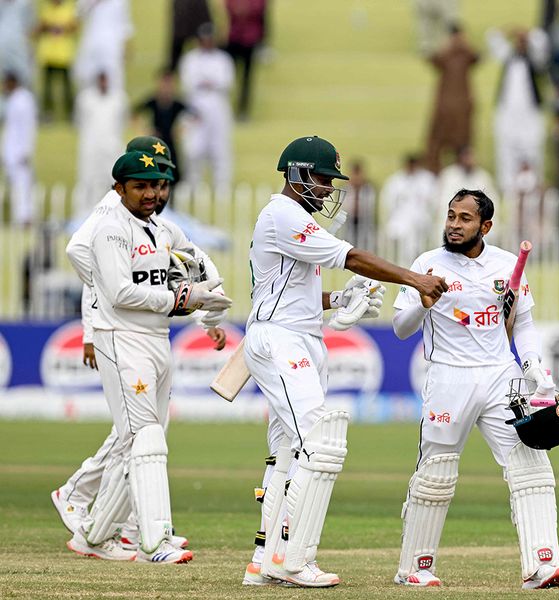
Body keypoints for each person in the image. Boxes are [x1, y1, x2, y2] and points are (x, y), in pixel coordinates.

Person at [242, 135, 448, 587]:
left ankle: (265, 561)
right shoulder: (283, 215)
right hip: (281, 342)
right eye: (321, 178)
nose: (327, 188)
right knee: (320, 443)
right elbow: (351, 256)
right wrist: (414, 279)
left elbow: (289, 294)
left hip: (296, 334)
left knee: (287, 452)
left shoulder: (292, 220)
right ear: (296, 174)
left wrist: (339, 299)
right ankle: (296, 560)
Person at [52, 136, 227, 554]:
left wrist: (207, 312)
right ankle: (150, 537)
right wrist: (94, 327)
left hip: (156, 336)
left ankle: (100, 531)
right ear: (121, 187)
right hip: (122, 337)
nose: (154, 193)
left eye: (161, 183)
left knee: (143, 438)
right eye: (144, 184)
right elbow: (106, 282)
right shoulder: (109, 220)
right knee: (142, 439)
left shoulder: (161, 226)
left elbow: (195, 266)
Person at [390, 189, 559, 590]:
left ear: (485, 226)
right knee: (436, 473)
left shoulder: (507, 264)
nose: (454, 224)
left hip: (500, 375)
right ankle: (414, 567)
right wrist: (423, 300)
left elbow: (520, 324)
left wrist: (533, 367)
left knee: (530, 466)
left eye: (465, 218)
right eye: (451, 216)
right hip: (448, 376)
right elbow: (401, 329)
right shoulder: (427, 264)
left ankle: (542, 563)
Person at [485, 25, 549, 196]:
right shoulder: (508, 56)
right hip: (508, 112)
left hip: (530, 113)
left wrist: (529, 34)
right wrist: (510, 32)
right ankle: (507, 191)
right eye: (518, 41)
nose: (520, 44)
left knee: (533, 149)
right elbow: (491, 37)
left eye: (523, 41)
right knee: (505, 150)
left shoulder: (535, 59)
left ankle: (534, 190)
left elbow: (542, 42)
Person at [179, 22, 235, 191]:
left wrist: (208, 82)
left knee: (220, 148)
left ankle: (222, 188)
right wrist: (208, 82)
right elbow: (187, 83)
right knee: (194, 149)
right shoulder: (190, 59)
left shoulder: (223, 59)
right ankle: (193, 186)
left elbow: (226, 82)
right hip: (196, 108)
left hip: (218, 108)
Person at [424, 23, 479, 172]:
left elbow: (477, 57)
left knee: (463, 142)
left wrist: (464, 44)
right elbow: (433, 59)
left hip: (461, 106)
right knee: (436, 142)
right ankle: (434, 172)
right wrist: (447, 46)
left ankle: (462, 172)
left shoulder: (465, 53)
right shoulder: (446, 53)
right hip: (444, 107)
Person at [74, 71, 128, 211]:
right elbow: (79, 121)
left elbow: (122, 122)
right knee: (87, 182)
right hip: (90, 148)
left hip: (112, 148)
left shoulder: (119, 98)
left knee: (114, 182)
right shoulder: (85, 98)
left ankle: (116, 214)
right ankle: (83, 216)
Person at [133, 69, 191, 185]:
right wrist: (145, 130)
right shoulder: (153, 101)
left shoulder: (177, 104)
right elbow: (134, 113)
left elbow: (194, 117)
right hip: (155, 146)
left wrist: (182, 129)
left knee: (174, 177)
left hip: (171, 145)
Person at [380, 153, 438, 267]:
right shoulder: (395, 181)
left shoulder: (427, 179)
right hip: (400, 219)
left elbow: (434, 202)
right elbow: (388, 202)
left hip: (422, 220)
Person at [1, 71, 37, 226]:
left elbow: (29, 127)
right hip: (11, 152)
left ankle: (25, 219)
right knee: (17, 187)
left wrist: (26, 151)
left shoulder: (24, 100)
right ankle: (20, 219)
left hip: (20, 153)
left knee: (23, 186)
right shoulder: (14, 100)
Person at [72, 0, 132, 92]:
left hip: (113, 46)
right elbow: (78, 14)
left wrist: (127, 47)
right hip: (91, 44)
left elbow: (125, 23)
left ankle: (115, 105)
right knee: (85, 79)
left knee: (115, 82)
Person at [35, 0, 78, 121]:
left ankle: (71, 113)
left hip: (64, 54)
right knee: (48, 88)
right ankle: (47, 113)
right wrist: (48, 26)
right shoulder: (46, 9)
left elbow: (74, 27)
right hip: (49, 54)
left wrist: (61, 26)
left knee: (67, 87)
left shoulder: (68, 9)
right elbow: (40, 27)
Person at [224, 0, 266, 120]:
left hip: (249, 40)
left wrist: (246, 10)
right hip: (233, 38)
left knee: (246, 80)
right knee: (227, 76)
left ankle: (243, 110)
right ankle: (227, 108)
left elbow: (260, 10)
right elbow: (228, 6)